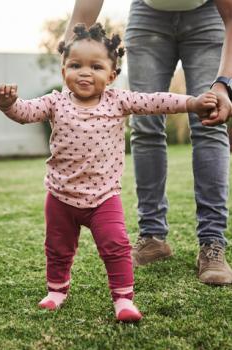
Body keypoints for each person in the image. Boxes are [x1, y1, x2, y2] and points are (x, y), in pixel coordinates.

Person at [0, 23, 217, 322]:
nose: (85, 72)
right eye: (76, 65)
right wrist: (8, 105)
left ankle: (124, 299)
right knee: (57, 248)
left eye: (96, 66)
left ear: (112, 76)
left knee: (116, 247)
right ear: (64, 72)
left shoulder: (118, 101)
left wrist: (191, 103)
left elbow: (155, 101)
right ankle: (56, 290)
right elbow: (26, 113)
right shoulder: (55, 102)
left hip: (103, 199)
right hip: (60, 197)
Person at [65, 0, 232, 285]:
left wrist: (223, 83)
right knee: (144, 124)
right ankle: (152, 237)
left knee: (210, 121)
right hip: (148, 17)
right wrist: (66, 64)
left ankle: (212, 242)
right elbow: (83, 12)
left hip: (209, 15)